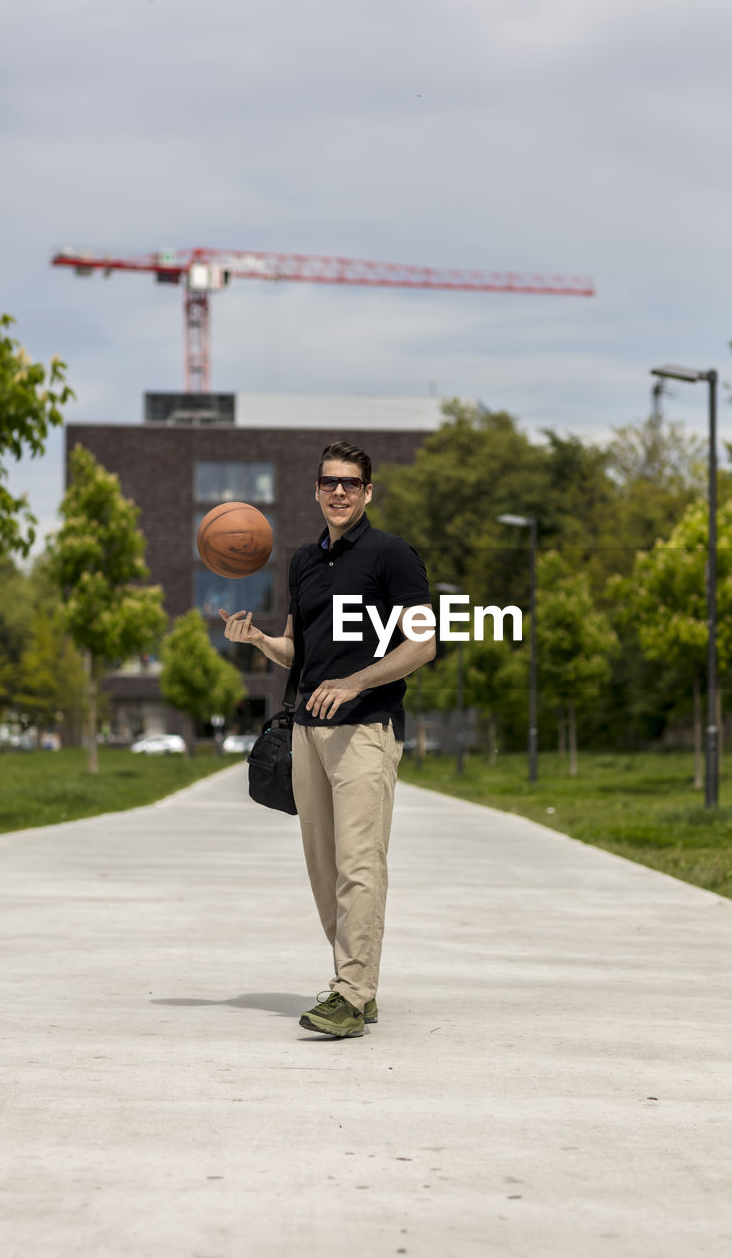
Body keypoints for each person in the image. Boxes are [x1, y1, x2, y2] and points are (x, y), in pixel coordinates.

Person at [220, 440, 435, 1038]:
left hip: (366, 731)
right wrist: (259, 642)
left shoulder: (393, 556)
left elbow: (422, 645)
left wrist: (355, 682)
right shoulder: (302, 562)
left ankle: (352, 991)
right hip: (309, 736)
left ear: (368, 492)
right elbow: (300, 650)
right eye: (328, 483)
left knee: (360, 865)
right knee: (322, 867)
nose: (338, 492)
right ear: (316, 491)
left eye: (350, 483)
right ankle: (354, 986)